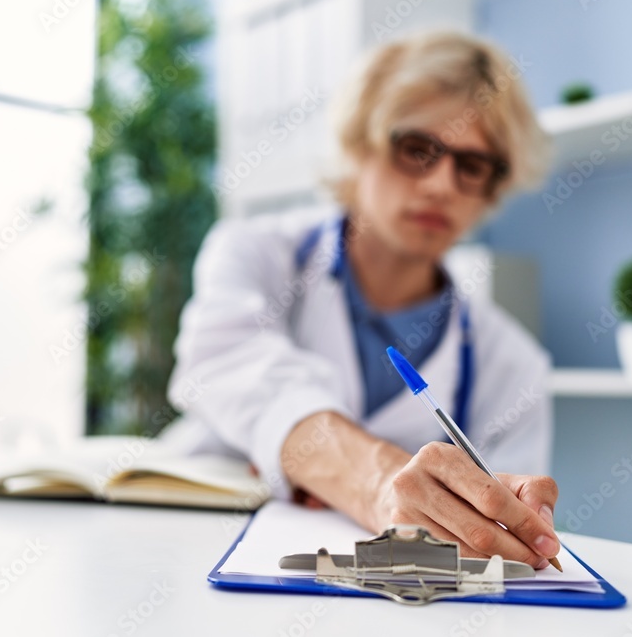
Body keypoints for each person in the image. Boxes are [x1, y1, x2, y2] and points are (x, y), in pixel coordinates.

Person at [163, 30, 561, 570]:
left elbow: (503, 560)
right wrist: (376, 483)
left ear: (492, 190)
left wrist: (509, 525)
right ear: (360, 144)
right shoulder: (256, 254)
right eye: (418, 149)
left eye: (472, 166)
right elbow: (225, 367)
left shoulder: (512, 365)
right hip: (184, 556)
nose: (442, 185)